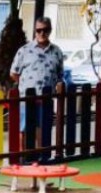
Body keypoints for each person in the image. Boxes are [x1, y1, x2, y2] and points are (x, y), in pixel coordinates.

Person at [10, 17, 64, 160]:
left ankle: (42, 158)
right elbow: (14, 73)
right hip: (27, 98)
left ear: (50, 30)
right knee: (24, 128)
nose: (42, 33)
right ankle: (23, 158)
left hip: (46, 98)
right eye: (39, 30)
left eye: (45, 30)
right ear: (35, 31)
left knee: (43, 129)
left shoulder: (57, 52)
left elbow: (60, 75)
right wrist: (26, 85)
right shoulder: (24, 50)